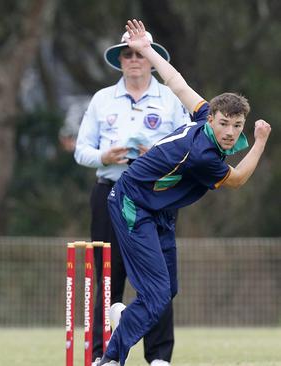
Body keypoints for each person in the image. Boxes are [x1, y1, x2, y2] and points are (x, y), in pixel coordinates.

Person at [94, 20, 272, 366]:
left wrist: (147, 49)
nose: (230, 133)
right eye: (223, 124)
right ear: (210, 120)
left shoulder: (205, 112)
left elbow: (177, 83)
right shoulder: (203, 155)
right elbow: (236, 181)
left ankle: (125, 318)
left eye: (238, 126)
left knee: (167, 291)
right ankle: (111, 359)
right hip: (132, 203)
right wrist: (261, 141)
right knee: (157, 293)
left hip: (157, 209)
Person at [74, 27, 190, 366]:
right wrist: (105, 156)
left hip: (156, 196)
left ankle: (158, 357)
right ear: (120, 61)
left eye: (141, 53)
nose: (135, 60)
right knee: (108, 276)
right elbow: (82, 150)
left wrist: (154, 155)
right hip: (109, 191)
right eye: (128, 54)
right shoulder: (101, 100)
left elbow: (187, 148)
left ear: (152, 60)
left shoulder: (170, 100)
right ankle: (101, 354)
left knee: (159, 279)